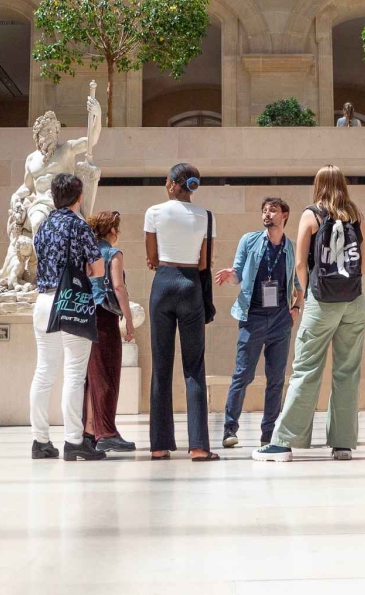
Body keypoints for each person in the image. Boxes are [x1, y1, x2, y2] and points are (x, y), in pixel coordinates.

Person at [254, 166, 365, 462]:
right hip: (354, 300)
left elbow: (301, 265)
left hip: (322, 300)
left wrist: (307, 293)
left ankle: (283, 442)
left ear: (318, 185)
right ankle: (343, 443)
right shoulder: (356, 214)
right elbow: (364, 265)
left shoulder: (311, 215)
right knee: (347, 371)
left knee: (306, 368)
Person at [144, 163, 218, 461]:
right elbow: (204, 263)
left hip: (163, 283)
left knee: (161, 367)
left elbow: (151, 257)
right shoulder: (206, 216)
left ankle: (160, 445)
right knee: (194, 367)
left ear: (174, 184)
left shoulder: (154, 212)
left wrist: (163, 261)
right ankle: (199, 446)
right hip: (190, 286)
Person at [29, 172, 105, 462]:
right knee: (74, 373)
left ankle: (40, 441)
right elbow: (97, 268)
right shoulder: (78, 225)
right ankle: (74, 441)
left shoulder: (44, 226)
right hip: (71, 301)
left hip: (43, 301)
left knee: (44, 372)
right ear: (79, 197)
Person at [214, 197, 298, 448]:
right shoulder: (249, 240)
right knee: (243, 374)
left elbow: (298, 280)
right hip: (253, 317)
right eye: (264, 210)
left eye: (272, 210)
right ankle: (230, 428)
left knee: (276, 379)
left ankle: (269, 432)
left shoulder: (290, 247)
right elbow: (237, 274)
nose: (267, 214)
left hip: (281, 319)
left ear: (284, 215)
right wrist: (230, 275)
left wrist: (296, 306)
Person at [83, 210, 137, 454]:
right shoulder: (113, 253)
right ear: (112, 230)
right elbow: (118, 286)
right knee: (107, 374)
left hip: (84, 316)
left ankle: (90, 431)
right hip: (104, 317)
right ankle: (107, 432)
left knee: (91, 376)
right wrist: (128, 318)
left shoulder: (88, 252)